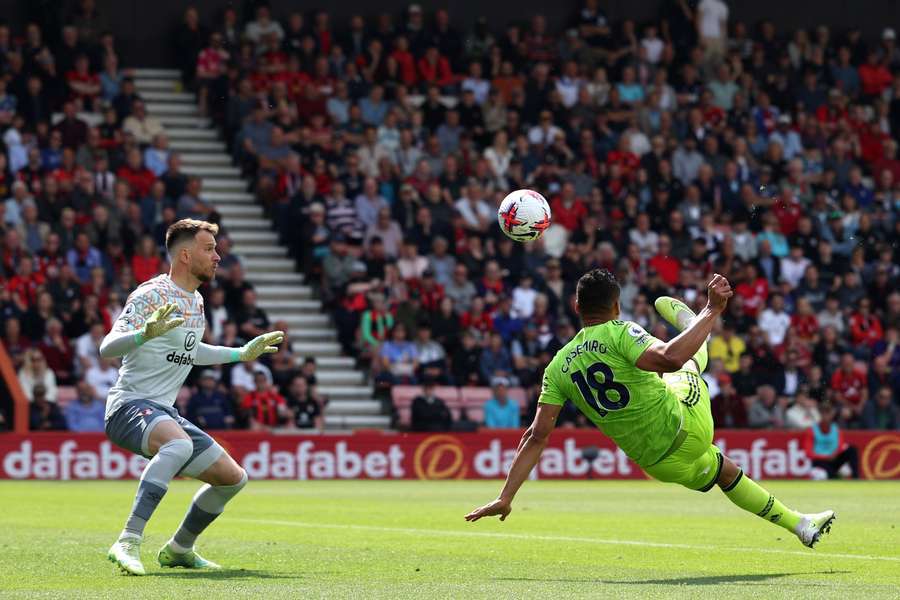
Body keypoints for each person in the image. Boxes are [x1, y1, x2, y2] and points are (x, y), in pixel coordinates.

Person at [466, 269, 835, 550]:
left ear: (576, 307)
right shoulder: (620, 331)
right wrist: (711, 309)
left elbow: (536, 435)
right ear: (616, 306)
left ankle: (800, 525)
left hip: (658, 464)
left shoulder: (557, 366)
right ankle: (695, 324)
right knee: (689, 366)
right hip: (687, 426)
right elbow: (672, 357)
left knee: (725, 471)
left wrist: (507, 495)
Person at [98, 219, 284, 575]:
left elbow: (192, 350)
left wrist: (240, 354)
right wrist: (142, 334)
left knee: (233, 478)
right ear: (185, 255)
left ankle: (180, 549)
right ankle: (128, 540)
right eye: (209, 249)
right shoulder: (151, 294)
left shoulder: (196, 301)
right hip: (128, 406)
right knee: (179, 446)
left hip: (163, 411)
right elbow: (108, 348)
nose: (218, 256)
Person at [802, 405, 860, 479]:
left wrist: (835, 454)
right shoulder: (812, 430)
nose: (826, 417)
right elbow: (808, 453)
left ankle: (856, 477)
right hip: (820, 460)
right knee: (823, 475)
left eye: (828, 414)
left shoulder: (836, 429)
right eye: (823, 414)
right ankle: (833, 475)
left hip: (833, 458)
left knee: (852, 449)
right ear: (820, 415)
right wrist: (826, 457)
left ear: (831, 415)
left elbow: (840, 445)